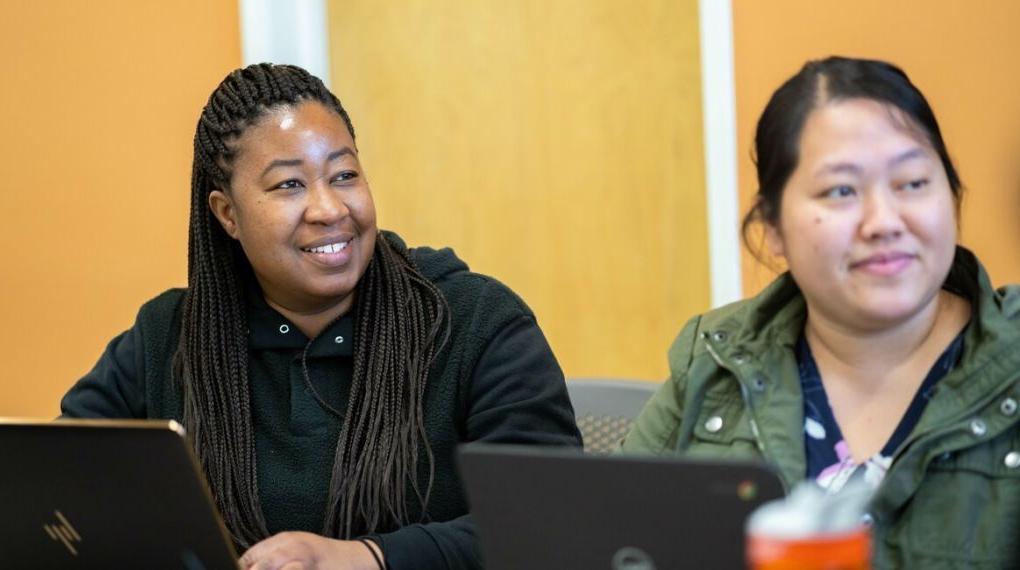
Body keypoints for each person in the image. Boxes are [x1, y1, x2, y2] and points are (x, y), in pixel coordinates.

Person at [61, 63, 581, 570]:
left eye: (345, 175)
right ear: (227, 214)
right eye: (289, 185)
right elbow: (54, 490)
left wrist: (369, 557)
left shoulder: (476, 323)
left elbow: (550, 520)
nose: (329, 208)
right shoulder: (169, 337)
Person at [623, 56, 1020, 567]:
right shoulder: (714, 362)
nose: (883, 221)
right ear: (771, 227)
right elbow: (610, 542)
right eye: (841, 191)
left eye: (913, 183)